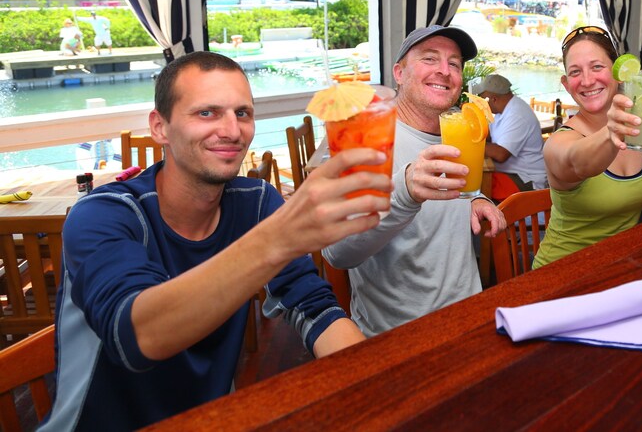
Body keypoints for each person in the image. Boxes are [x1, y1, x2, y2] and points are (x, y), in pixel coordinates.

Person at [41, 51, 388, 430]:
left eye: (242, 113)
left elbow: (313, 306)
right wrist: (277, 239)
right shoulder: (102, 214)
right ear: (160, 127)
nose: (232, 130)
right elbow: (137, 337)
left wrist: (381, 388)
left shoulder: (255, 202)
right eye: (206, 113)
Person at [323, 25, 506, 337]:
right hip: (397, 333)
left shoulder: (460, 129)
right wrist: (405, 192)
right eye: (429, 59)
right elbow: (338, 253)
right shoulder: (367, 139)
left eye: (455, 63)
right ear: (399, 72)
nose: (444, 71)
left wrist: (475, 198)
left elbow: (458, 194)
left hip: (469, 318)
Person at [533, 26, 642, 269]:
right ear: (566, 84)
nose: (587, 80)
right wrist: (612, 130)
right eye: (575, 72)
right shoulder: (559, 142)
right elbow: (579, 161)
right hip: (561, 273)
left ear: (619, 73)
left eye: (597, 67)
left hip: (621, 267)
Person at [469, 73, 548, 198]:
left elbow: (500, 154)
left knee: (476, 189)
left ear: (494, 99)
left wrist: (467, 143)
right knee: (472, 180)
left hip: (525, 179)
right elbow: (488, 136)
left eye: (483, 99)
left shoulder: (517, 114)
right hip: (510, 173)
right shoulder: (502, 111)